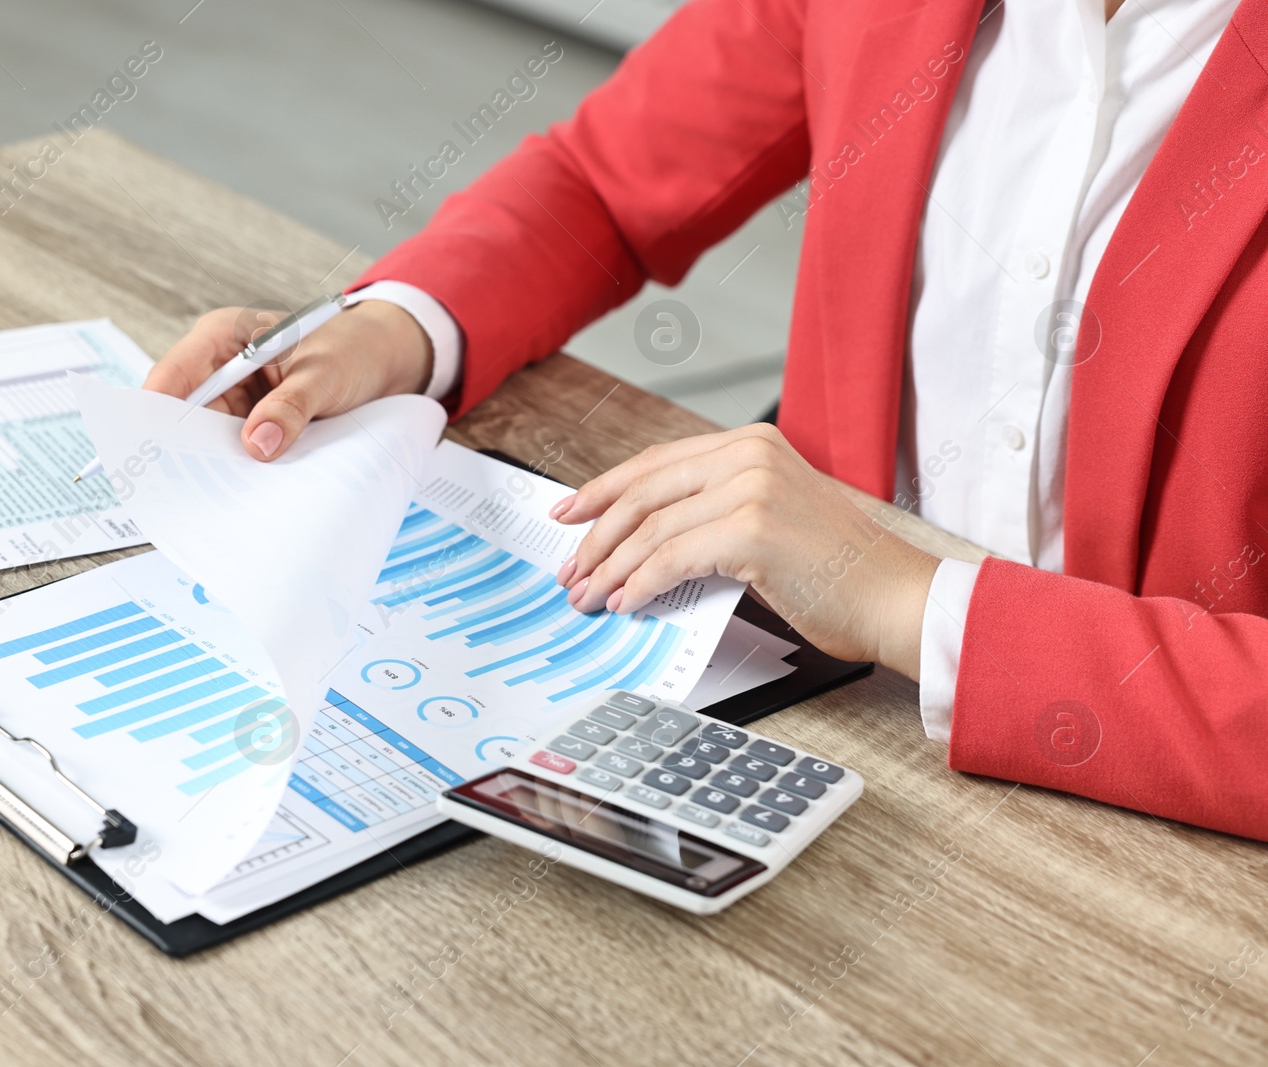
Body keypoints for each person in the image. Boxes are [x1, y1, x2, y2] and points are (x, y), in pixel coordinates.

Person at [144, 0, 1268, 841]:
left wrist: (907, 594)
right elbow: (604, 183)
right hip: (803, 702)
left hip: (1149, 825)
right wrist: (398, 327)